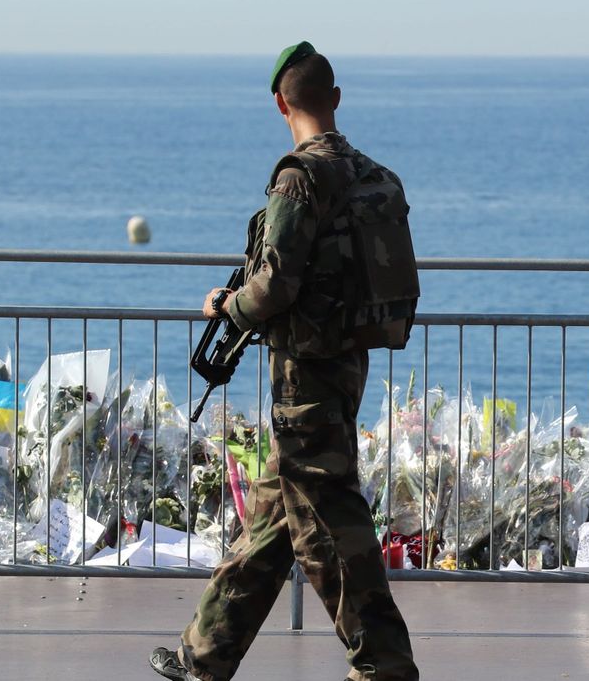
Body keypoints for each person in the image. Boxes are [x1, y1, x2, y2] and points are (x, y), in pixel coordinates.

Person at [150, 41, 421, 681]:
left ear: (280, 104)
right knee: (274, 515)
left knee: (330, 519)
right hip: (348, 360)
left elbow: (274, 286)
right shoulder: (370, 171)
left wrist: (226, 306)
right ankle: (204, 656)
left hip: (304, 370)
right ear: (334, 98)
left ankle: (384, 663)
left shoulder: (300, 177)